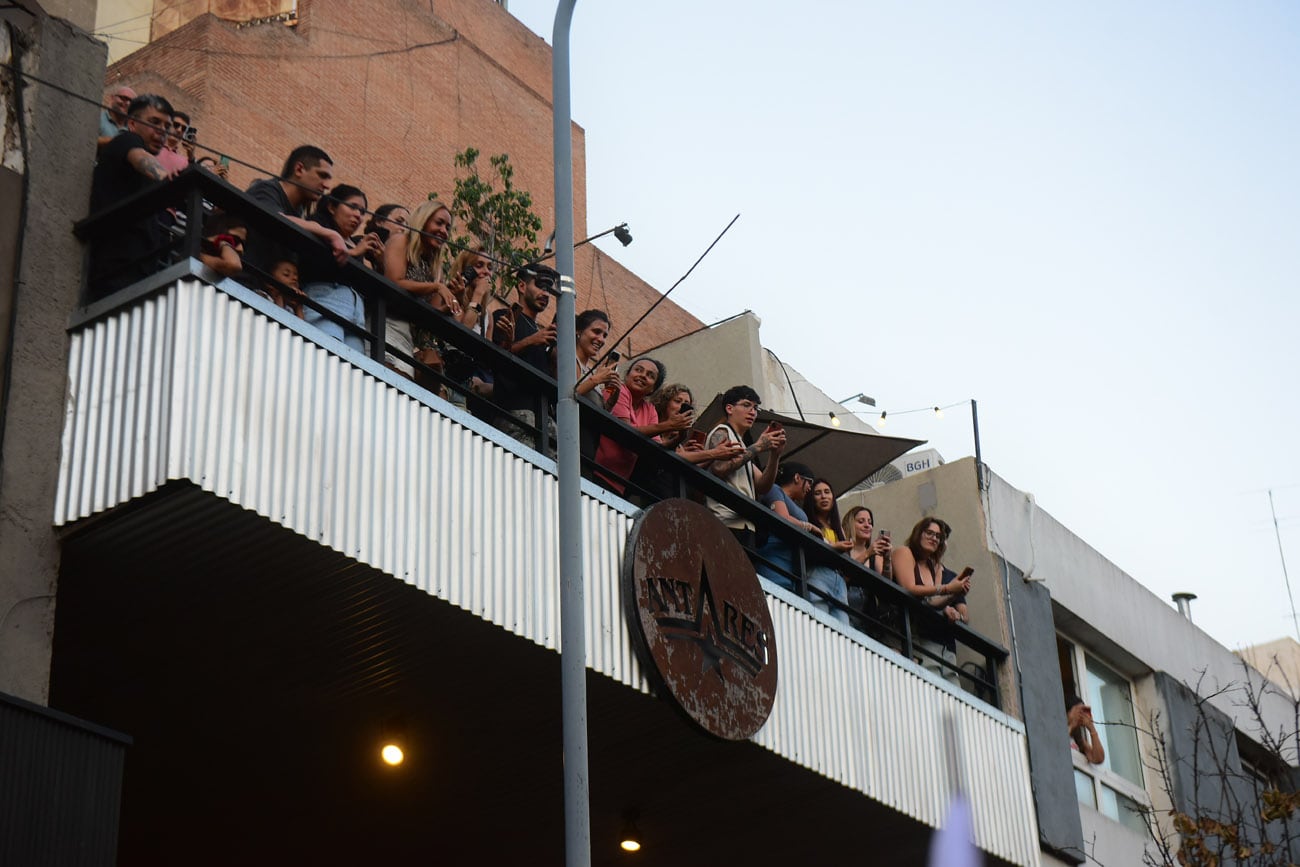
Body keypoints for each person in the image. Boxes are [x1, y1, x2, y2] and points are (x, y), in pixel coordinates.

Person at [87, 93, 179, 299]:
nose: (162, 132)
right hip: (116, 268)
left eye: (166, 126)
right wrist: (169, 179)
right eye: (154, 122)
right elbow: (140, 159)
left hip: (138, 271)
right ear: (132, 123)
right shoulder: (127, 140)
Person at [754, 462, 850, 624]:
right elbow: (782, 518)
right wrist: (810, 527)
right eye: (810, 483)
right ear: (797, 478)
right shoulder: (775, 489)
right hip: (774, 564)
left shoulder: (793, 504)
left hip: (791, 572)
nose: (810, 489)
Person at [382, 199, 460, 380]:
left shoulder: (436, 268)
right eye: (439, 223)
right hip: (387, 323)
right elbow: (393, 281)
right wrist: (436, 286)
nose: (443, 231)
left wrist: (447, 306)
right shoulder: (401, 241)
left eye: (448, 227)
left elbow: (429, 312)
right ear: (423, 221)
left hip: (409, 336)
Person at [242, 145, 346, 279]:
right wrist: (329, 233)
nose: (326, 186)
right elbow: (275, 219)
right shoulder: (266, 189)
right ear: (299, 169)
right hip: (236, 283)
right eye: (322, 175)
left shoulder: (299, 213)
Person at [300, 185, 382, 354]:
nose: (358, 215)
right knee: (325, 356)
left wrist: (381, 263)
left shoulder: (357, 242)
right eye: (353, 207)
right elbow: (317, 263)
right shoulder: (320, 227)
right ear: (332, 207)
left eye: (362, 211)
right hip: (326, 300)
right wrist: (354, 252)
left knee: (351, 367)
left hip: (356, 314)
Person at [488, 264, 560, 450]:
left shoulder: (540, 333)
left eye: (549, 290)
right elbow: (496, 356)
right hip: (514, 412)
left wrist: (553, 356)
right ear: (522, 286)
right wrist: (532, 340)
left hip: (545, 420)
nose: (545, 294)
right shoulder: (505, 315)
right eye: (540, 286)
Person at [704, 385, 786, 548]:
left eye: (756, 408)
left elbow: (763, 486)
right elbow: (718, 468)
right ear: (729, 408)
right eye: (746, 405)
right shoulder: (722, 431)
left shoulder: (742, 445)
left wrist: (775, 455)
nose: (753, 412)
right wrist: (758, 447)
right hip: (725, 521)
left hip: (746, 525)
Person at [891, 517, 970, 685]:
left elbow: (930, 602)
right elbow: (909, 588)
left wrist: (954, 594)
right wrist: (948, 588)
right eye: (929, 533)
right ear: (918, 534)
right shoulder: (904, 552)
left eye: (938, 536)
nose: (934, 538)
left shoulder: (927, 565)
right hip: (898, 628)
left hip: (915, 633)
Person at [593, 356, 686, 495]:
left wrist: (681, 435)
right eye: (638, 370)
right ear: (627, 375)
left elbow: (655, 448)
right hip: (596, 469)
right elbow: (625, 432)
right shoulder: (617, 390)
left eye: (650, 376)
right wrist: (669, 425)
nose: (642, 376)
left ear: (653, 388)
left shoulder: (650, 409)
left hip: (620, 482)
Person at [805, 478, 853, 553]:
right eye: (817, 493)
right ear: (811, 499)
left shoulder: (838, 528)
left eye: (827, 492)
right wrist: (834, 546)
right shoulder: (807, 522)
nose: (823, 496)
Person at [198, 213, 246, 278]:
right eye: (236, 240)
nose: (241, 248)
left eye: (243, 243)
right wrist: (224, 242)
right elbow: (233, 264)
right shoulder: (200, 252)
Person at [1067, 694, 1105, 764]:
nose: (1081, 715)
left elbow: (1098, 758)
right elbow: (1056, 747)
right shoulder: (1057, 732)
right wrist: (1071, 725)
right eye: (1078, 712)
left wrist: (1091, 728)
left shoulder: (1078, 740)